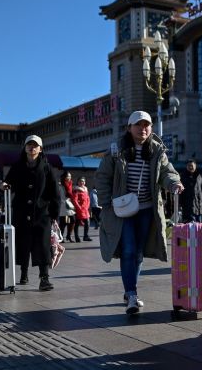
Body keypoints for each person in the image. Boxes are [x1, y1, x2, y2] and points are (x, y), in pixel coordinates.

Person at [96, 110, 183, 315]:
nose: (143, 129)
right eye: (138, 125)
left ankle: (130, 292)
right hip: (122, 211)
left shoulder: (156, 150)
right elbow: (102, 176)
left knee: (138, 252)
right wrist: (106, 203)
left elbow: (166, 172)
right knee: (128, 249)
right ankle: (132, 293)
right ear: (129, 128)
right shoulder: (117, 150)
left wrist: (174, 183)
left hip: (146, 210)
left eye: (147, 125)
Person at [1, 135, 60, 291]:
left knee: (42, 244)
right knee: (23, 244)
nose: (32, 148)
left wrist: (55, 214)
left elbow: (55, 192)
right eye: (29, 145)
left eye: (35, 145)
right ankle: (23, 273)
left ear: (40, 149)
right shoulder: (17, 166)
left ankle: (44, 278)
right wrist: (5, 184)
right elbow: (9, 181)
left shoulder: (47, 168)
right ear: (25, 148)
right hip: (21, 212)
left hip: (42, 213)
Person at [57, 171, 77, 242]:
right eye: (68, 176)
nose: (69, 178)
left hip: (69, 205)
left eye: (70, 176)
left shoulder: (71, 185)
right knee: (63, 222)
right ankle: (61, 236)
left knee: (73, 220)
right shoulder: (60, 185)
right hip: (63, 205)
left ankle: (69, 235)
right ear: (64, 177)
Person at [73, 177, 92, 241]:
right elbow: (75, 200)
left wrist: (87, 206)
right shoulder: (76, 190)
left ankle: (85, 236)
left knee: (87, 222)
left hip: (85, 209)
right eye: (81, 181)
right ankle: (77, 237)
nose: (82, 182)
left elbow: (88, 199)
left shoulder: (86, 189)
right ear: (78, 182)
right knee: (77, 223)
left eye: (83, 181)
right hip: (79, 209)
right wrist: (79, 208)